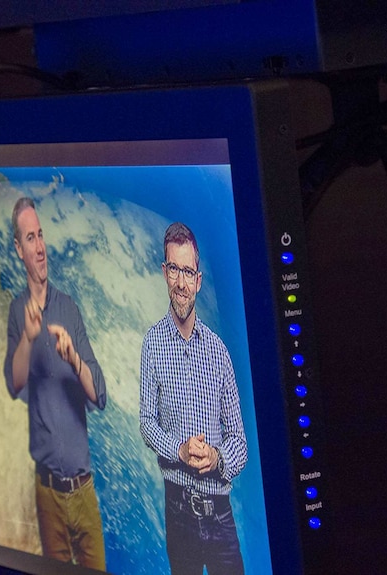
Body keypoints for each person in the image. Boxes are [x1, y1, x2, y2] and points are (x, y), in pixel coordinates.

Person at [3, 196, 107, 570]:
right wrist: (29, 339)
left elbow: (100, 394)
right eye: (30, 238)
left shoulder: (70, 309)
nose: (40, 246)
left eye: (41, 235)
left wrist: (74, 359)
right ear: (19, 249)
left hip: (83, 491)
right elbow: (13, 383)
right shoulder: (17, 312)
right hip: (47, 495)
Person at [139, 222, 248, 575]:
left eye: (188, 272)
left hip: (219, 513)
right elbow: (146, 423)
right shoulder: (152, 344)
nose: (181, 283)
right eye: (174, 270)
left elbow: (240, 443)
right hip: (178, 513)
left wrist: (216, 457)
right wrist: (179, 451)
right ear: (164, 272)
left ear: (198, 280)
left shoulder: (219, 352)